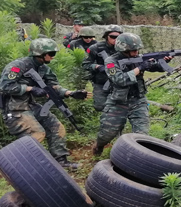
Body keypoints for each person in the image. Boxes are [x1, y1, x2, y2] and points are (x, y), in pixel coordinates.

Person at [0, 38, 91, 169]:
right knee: (37, 133)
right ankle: (12, 165)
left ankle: (61, 161)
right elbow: (4, 86)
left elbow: (53, 87)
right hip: (14, 109)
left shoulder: (43, 69)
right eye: (51, 54)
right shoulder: (18, 66)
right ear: (40, 54)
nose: (53, 57)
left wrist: (70, 93)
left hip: (31, 105)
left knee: (56, 127)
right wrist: (30, 88)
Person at [92, 33, 171, 156]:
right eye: (133, 50)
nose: (136, 52)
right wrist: (139, 68)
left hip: (138, 100)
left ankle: (135, 158)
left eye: (137, 50)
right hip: (118, 102)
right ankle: (98, 146)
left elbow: (154, 67)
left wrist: (162, 62)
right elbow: (119, 80)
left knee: (142, 135)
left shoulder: (138, 58)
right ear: (123, 49)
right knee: (107, 134)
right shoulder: (111, 61)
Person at [82, 25, 123, 112]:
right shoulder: (95, 48)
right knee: (99, 106)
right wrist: (97, 66)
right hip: (101, 82)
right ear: (106, 36)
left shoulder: (124, 48)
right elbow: (85, 64)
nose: (115, 39)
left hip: (119, 80)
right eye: (112, 36)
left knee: (121, 105)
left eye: (118, 37)